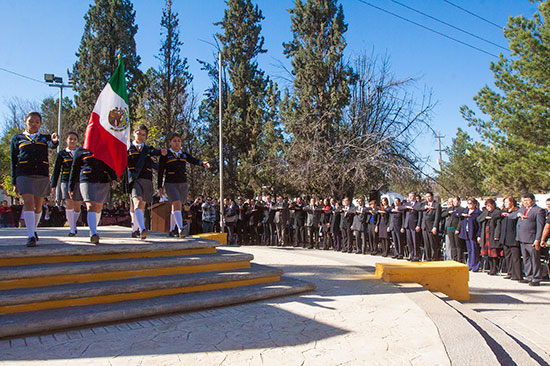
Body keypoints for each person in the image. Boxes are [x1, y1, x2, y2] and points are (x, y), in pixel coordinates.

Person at [10, 111, 59, 246]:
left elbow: (52, 145)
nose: (34, 124)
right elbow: (13, 160)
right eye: (31, 121)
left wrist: (55, 141)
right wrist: (14, 180)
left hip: (41, 174)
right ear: (25, 122)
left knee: (38, 206)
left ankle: (34, 229)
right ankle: (30, 235)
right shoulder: (17, 138)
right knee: (28, 203)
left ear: (40, 124)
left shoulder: (44, 138)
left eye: (37, 122)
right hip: (23, 173)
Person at [158, 133, 210, 238]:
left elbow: (193, 160)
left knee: (177, 206)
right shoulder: (166, 155)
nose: (177, 143)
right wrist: (160, 186)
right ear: (170, 143)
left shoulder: (184, 154)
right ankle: (180, 229)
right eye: (174, 141)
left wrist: (202, 163)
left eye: (179, 141)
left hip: (183, 183)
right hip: (170, 183)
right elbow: (160, 171)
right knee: (176, 203)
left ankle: (172, 230)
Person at [69, 146, 118, 244]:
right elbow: (74, 168)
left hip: (102, 180)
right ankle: (93, 233)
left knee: (98, 208)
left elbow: (109, 164)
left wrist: (114, 178)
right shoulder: (81, 150)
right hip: (86, 179)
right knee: (91, 206)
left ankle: (94, 229)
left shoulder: (104, 148)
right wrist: (71, 186)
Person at [127, 125, 167, 239]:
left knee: (141, 206)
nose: (140, 136)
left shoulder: (148, 149)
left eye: (143, 134)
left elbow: (155, 153)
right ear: (133, 134)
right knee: (138, 203)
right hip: (134, 180)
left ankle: (135, 230)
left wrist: (162, 152)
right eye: (138, 133)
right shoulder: (128, 147)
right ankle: (142, 229)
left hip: (147, 179)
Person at [509, 193, 545, 286]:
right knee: (526, 259)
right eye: (524, 201)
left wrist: (538, 239)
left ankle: (536, 278)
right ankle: (529, 276)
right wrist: (518, 214)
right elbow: (510, 216)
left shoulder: (538, 210)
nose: (525, 202)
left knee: (535, 259)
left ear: (533, 200)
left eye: (527, 200)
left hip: (532, 238)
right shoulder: (522, 209)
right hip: (522, 238)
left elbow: (540, 226)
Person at [51, 131, 82, 236]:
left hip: (78, 181)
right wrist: (53, 185)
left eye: (75, 139)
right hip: (65, 180)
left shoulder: (81, 153)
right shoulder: (62, 154)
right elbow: (56, 170)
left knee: (77, 205)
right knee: (69, 203)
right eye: (70, 139)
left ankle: (74, 223)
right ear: (66, 140)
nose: (72, 141)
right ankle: (72, 229)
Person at [477, 199, 503, 275]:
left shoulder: (496, 212)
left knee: (493, 253)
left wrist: (497, 236)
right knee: (488, 254)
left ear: (493, 205)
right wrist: (485, 217)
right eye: (487, 206)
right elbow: (478, 219)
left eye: (490, 205)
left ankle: (494, 269)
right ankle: (491, 268)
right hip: (485, 234)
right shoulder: (485, 212)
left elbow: (498, 225)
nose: (489, 207)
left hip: (493, 234)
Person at [500, 196, 523, 282]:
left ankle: (517, 274)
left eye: (507, 202)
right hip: (505, 237)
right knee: (508, 256)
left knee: (515, 257)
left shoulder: (517, 211)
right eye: (504, 202)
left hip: (513, 237)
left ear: (512, 203)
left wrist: (510, 215)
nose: (505, 204)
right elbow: (495, 215)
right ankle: (510, 272)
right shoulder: (504, 211)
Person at [457, 198, 481, 271]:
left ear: (474, 204)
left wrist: (479, 235)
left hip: (473, 233)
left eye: (470, 203)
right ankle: (470, 265)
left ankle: (475, 266)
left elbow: (479, 225)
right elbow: (456, 213)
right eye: (468, 203)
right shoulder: (465, 211)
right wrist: (462, 215)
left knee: (474, 249)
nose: (469, 205)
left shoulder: (478, 212)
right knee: (469, 249)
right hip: (466, 232)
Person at [421, 192, 442, 261]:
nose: (428, 198)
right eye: (426, 197)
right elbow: (418, 208)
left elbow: (437, 217)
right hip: (424, 227)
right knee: (426, 244)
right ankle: (427, 258)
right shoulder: (424, 204)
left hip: (431, 226)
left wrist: (435, 227)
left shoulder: (436, 205)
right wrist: (425, 207)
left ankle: (434, 258)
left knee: (433, 244)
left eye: (429, 196)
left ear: (432, 197)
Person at [403, 192, 422, 261]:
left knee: (415, 241)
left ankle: (416, 255)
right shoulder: (407, 204)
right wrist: (406, 207)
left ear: (414, 197)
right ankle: (411, 254)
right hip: (407, 224)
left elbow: (420, 216)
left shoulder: (418, 204)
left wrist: (418, 225)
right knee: (409, 241)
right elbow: (400, 208)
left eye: (411, 196)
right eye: (409, 196)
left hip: (414, 224)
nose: (410, 197)